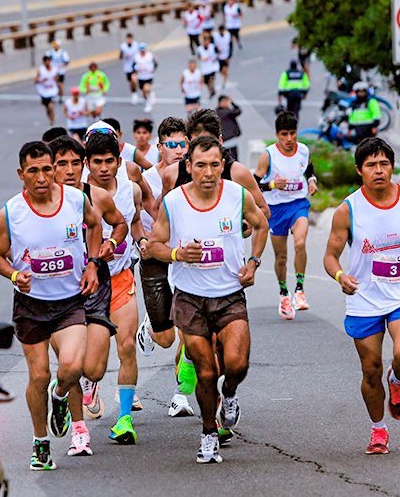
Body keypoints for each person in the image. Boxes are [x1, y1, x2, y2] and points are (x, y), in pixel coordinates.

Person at [146, 135, 268, 463]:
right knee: (204, 371)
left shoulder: (237, 195)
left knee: (237, 364)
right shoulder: (174, 201)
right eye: (201, 165)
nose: (208, 172)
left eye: (215, 165)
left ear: (223, 166)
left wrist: (253, 261)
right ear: (189, 167)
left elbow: (261, 224)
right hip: (189, 299)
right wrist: (177, 253)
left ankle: (229, 395)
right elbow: (152, 246)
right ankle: (208, 432)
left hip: (229, 295)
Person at [0, 140, 104, 471]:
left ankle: (60, 395)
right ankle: (41, 443)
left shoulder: (75, 200)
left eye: (46, 169)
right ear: (21, 174)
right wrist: (13, 275)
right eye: (33, 171)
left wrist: (93, 263)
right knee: (38, 376)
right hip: (31, 305)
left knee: (72, 366)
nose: (41, 178)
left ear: (54, 169)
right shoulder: (11, 212)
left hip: (69, 302)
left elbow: (95, 225)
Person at [323, 137, 400, 454]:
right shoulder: (347, 211)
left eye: (384, 164)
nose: (379, 171)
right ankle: (378, 430)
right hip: (365, 297)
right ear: (359, 170)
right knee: (371, 369)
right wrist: (340, 276)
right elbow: (330, 256)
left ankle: (398, 380)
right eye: (372, 165)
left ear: (392, 167)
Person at [47, 135, 128, 442]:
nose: (69, 170)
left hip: (94, 286)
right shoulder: (37, 203)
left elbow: (119, 224)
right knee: (71, 362)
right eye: (61, 164)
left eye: (75, 164)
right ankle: (79, 430)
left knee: (93, 369)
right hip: (56, 292)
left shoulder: (97, 197)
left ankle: (60, 391)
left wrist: (111, 242)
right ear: (50, 168)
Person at [83, 131, 145, 447]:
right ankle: (86, 382)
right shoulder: (78, 194)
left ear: (119, 161)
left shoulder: (130, 191)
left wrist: (142, 241)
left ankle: (124, 420)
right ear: (87, 164)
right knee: (91, 364)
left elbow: (133, 225)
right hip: (87, 286)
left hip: (121, 278)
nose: (104, 168)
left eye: (110, 161)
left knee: (127, 345)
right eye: (97, 162)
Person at [132, 118, 192, 417]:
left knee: (189, 330)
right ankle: (149, 327)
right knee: (167, 337)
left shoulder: (195, 174)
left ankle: (181, 394)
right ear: (159, 147)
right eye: (172, 145)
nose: (179, 150)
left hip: (185, 259)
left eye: (183, 144)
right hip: (156, 259)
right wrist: (143, 241)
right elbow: (137, 221)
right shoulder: (147, 180)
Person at [255, 111, 318, 320]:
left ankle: (300, 290)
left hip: (298, 205)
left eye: (292, 133)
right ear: (277, 135)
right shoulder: (269, 155)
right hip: (276, 210)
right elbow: (254, 184)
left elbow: (308, 168)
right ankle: (284, 292)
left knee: (300, 243)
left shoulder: (303, 150)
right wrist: (272, 184)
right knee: (281, 257)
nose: (289, 139)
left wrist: (312, 180)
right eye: (284, 134)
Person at [216, 94, 241, 162]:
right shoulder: (227, 111)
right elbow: (238, 111)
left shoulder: (215, 112)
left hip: (223, 139)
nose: (227, 104)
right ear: (222, 102)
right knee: (233, 159)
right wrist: (233, 103)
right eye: (227, 102)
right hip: (230, 138)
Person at [36, 54, 59, 124]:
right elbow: (35, 80)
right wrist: (41, 80)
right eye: (46, 61)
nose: (47, 63)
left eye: (48, 61)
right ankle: (50, 118)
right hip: (44, 91)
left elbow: (57, 78)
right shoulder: (41, 70)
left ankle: (52, 119)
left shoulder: (54, 69)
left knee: (50, 106)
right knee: (47, 109)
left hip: (52, 90)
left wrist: (56, 79)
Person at [196, 31, 220, 100]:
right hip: (205, 69)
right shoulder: (200, 49)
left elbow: (218, 53)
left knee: (211, 80)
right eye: (205, 41)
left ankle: (211, 92)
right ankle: (212, 91)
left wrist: (218, 51)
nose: (206, 43)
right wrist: (201, 58)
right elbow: (198, 56)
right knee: (206, 83)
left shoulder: (213, 47)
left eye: (207, 41)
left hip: (213, 67)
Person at [133, 44, 157, 109]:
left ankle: (149, 104)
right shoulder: (137, 56)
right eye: (141, 50)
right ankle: (150, 95)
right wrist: (135, 73)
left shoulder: (149, 55)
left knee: (146, 89)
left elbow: (155, 64)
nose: (142, 51)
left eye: (143, 50)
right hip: (141, 77)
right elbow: (134, 65)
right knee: (143, 93)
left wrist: (153, 70)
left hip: (148, 77)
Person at [118, 33, 140, 98]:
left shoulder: (136, 45)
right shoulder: (123, 46)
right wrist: (123, 56)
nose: (129, 40)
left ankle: (138, 90)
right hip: (127, 67)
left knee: (134, 80)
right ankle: (134, 93)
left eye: (130, 39)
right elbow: (120, 57)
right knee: (130, 82)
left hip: (135, 66)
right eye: (128, 39)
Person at [213, 25, 233, 89]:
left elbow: (231, 45)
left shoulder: (228, 35)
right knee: (220, 70)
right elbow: (213, 46)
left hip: (225, 56)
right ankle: (225, 78)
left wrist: (229, 56)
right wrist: (216, 50)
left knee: (225, 70)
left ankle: (224, 83)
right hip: (219, 57)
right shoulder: (215, 36)